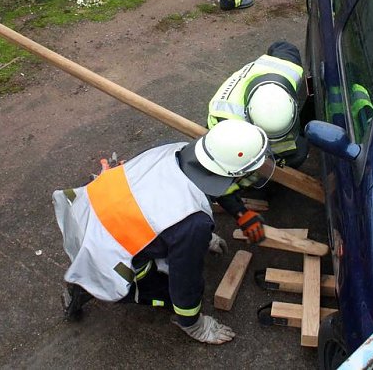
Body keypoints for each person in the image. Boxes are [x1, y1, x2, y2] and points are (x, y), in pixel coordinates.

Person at [53, 119, 272, 345]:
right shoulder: (193, 224)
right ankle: (85, 287)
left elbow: (205, 180)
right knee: (173, 295)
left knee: (183, 243)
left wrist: (234, 214)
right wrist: (193, 323)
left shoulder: (173, 149)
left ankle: (89, 275)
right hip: (104, 255)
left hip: (84, 214)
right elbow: (185, 279)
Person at [207, 41, 307, 168]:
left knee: (298, 149)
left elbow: (283, 46)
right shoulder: (225, 121)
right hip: (227, 133)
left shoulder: (287, 67)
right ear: (248, 116)